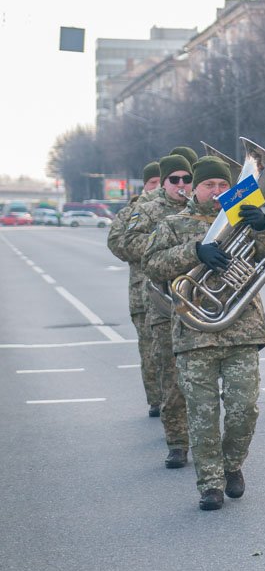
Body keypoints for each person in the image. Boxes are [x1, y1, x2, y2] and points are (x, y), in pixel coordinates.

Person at [143, 156, 265, 509]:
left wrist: (264, 226)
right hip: (195, 332)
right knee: (202, 414)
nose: (218, 191)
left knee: (244, 409)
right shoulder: (174, 224)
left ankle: (232, 465)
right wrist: (194, 251)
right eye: (210, 185)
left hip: (242, 329)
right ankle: (210, 483)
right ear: (196, 188)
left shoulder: (244, 216)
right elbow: (152, 264)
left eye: (224, 185)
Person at [122, 152, 193, 468]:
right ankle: (177, 442)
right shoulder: (145, 210)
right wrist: (170, 245)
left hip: (203, 303)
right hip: (164, 304)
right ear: (163, 183)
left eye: (187, 179)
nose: (181, 185)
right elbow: (126, 244)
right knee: (171, 376)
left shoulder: (210, 207)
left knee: (202, 378)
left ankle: (206, 437)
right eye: (174, 179)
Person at [106, 161, 162, 417]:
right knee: (150, 350)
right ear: (145, 184)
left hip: (177, 291)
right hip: (142, 291)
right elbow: (119, 244)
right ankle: (156, 400)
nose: (158, 187)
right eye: (153, 183)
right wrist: (160, 242)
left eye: (163, 182)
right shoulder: (133, 211)